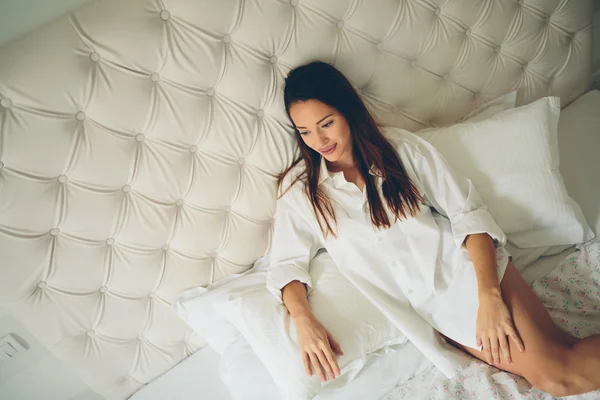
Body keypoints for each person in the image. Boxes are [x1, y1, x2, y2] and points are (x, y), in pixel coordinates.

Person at [265, 60, 600, 397]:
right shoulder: (301, 194)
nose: (319, 140)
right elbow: (286, 266)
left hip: (475, 274)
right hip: (440, 309)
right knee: (562, 361)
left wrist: (489, 297)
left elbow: (468, 214)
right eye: (305, 132)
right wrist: (303, 320)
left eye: (326, 123)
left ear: (348, 110)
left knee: (558, 375)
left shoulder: (400, 150)